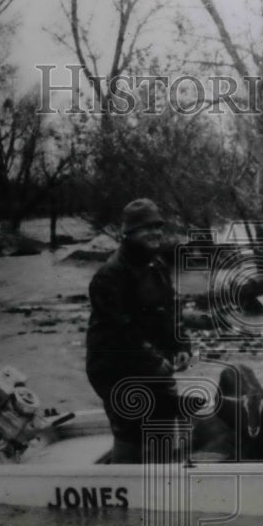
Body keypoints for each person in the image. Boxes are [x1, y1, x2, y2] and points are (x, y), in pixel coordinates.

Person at [85, 198, 192, 463]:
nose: (155, 233)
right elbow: (121, 332)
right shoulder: (109, 276)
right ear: (128, 233)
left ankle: (162, 479)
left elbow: (171, 311)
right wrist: (155, 361)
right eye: (146, 228)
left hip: (152, 361)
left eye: (158, 226)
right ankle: (120, 482)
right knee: (131, 432)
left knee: (164, 421)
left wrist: (181, 346)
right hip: (114, 367)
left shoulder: (158, 267)